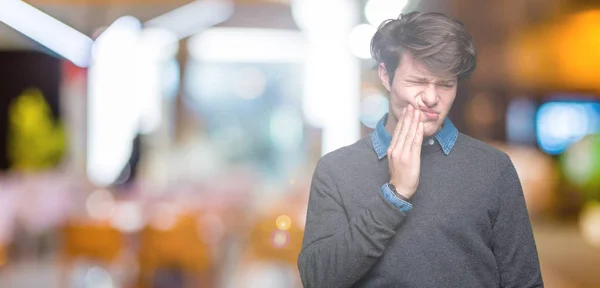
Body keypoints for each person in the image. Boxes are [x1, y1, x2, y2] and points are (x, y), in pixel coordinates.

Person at [298, 11, 543, 288]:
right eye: (417, 81)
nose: (430, 98)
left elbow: (525, 282)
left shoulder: (492, 168)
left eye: (445, 84)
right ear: (386, 76)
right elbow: (317, 279)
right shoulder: (336, 170)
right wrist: (394, 196)